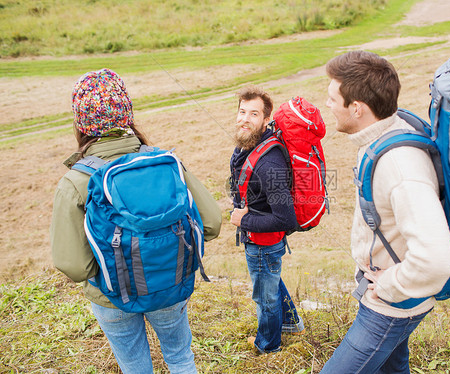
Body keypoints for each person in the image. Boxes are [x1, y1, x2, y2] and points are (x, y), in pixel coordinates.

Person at [50, 68, 222, 374]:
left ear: (81, 122)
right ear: (127, 112)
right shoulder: (165, 161)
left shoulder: (76, 181)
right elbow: (211, 224)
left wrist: (111, 271)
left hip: (111, 298)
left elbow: (73, 264)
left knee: (135, 368)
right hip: (170, 286)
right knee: (181, 358)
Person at [320, 51, 450, 373]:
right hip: (393, 295)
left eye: (332, 98)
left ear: (356, 108)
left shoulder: (400, 168)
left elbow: (438, 260)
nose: (327, 105)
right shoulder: (386, 131)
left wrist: (387, 287)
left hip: (391, 305)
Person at [229, 85, 305, 353]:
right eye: (242, 112)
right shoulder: (250, 147)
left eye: (253, 114)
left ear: (266, 120)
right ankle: (291, 322)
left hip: (263, 243)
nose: (244, 119)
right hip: (262, 242)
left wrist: (243, 221)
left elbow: (286, 219)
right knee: (270, 281)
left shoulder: (268, 162)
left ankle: (268, 345)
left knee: (265, 297)